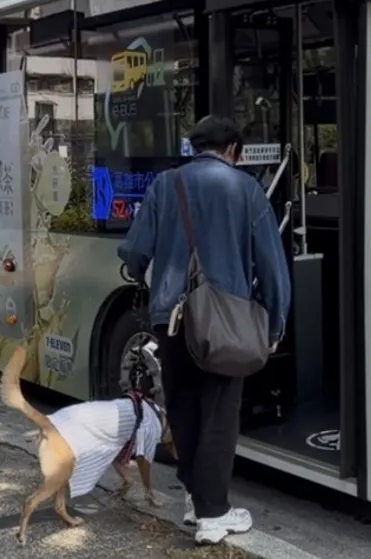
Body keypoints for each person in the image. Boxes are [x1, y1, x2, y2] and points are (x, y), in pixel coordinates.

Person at [117, 115, 291, 546]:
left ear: (194, 147)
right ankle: (213, 514)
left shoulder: (165, 185)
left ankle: (198, 499)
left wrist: (139, 269)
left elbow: (135, 251)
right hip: (222, 321)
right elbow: (272, 266)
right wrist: (275, 320)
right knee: (218, 412)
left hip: (171, 318)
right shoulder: (247, 190)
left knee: (184, 408)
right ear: (234, 149)